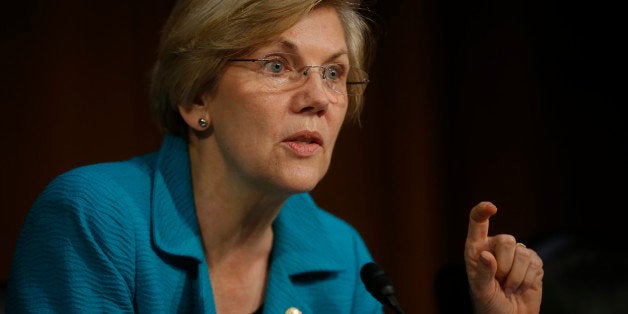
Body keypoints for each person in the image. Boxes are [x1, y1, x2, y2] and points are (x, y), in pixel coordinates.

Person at [6, 0, 544, 313]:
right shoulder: (95, 217)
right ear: (198, 97)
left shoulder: (340, 254)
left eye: (333, 72)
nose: (317, 98)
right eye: (276, 65)